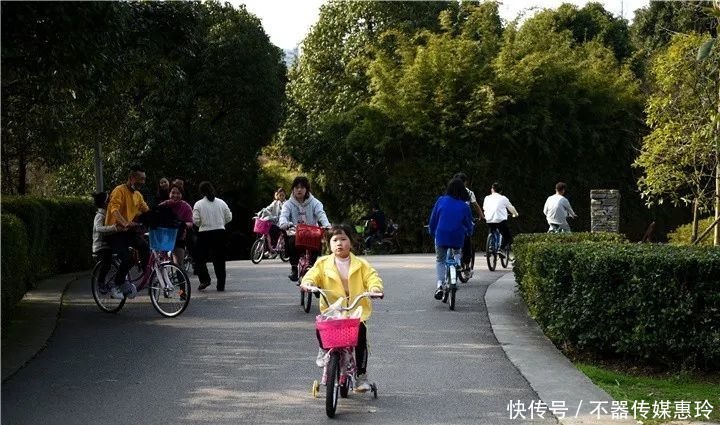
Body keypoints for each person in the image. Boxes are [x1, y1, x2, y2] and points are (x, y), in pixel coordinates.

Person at [300, 223, 384, 393]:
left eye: (343, 239)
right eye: (335, 240)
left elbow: (372, 277)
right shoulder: (323, 263)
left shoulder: (360, 264)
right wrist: (308, 283)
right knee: (322, 329)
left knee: (360, 338)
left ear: (351, 242)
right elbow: (312, 275)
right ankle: (326, 353)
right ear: (329, 244)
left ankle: (361, 376)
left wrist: (375, 288)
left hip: (355, 310)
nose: (339, 243)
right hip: (332, 310)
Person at [105, 165, 151, 298]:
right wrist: (124, 222)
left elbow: (146, 211)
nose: (143, 182)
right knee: (127, 258)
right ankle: (116, 284)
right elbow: (114, 209)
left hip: (128, 232)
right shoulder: (119, 190)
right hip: (114, 232)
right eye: (140, 179)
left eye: (144, 179)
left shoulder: (137, 195)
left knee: (144, 247)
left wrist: (158, 221)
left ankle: (145, 275)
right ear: (131, 178)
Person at [428, 178, 474, 300]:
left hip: (441, 235)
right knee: (457, 250)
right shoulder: (464, 206)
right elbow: (469, 224)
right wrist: (469, 232)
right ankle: (458, 263)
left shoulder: (441, 201)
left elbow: (433, 219)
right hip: (457, 236)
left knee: (440, 260)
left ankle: (439, 285)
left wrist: (432, 231)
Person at [278, 176, 331, 283]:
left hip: (312, 233)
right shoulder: (288, 204)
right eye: (296, 187)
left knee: (316, 244)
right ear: (293, 189)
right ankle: (294, 268)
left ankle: (312, 270)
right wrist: (284, 223)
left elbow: (321, 214)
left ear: (306, 189)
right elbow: (283, 216)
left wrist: (326, 225)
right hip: (295, 232)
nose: (299, 190)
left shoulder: (315, 202)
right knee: (291, 241)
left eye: (302, 187)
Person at [193, 181, 232, 291]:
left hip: (204, 233)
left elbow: (196, 221)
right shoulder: (221, 202)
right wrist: (220, 222)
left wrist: (203, 224)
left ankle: (205, 279)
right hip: (220, 232)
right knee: (219, 260)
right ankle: (221, 285)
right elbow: (229, 217)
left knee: (199, 258)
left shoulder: (198, 204)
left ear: (201, 192)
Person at [453, 172, 484, 271]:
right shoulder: (469, 193)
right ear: (465, 182)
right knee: (467, 241)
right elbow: (475, 205)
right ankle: (466, 266)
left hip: (450, 221)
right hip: (464, 222)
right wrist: (481, 216)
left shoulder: (450, 192)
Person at [160, 184, 194, 267]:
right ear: (169, 194)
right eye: (173, 192)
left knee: (179, 263)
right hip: (164, 236)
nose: (175, 195)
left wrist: (182, 224)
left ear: (182, 195)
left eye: (178, 193)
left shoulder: (186, 206)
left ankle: (180, 278)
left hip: (179, 236)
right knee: (159, 261)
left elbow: (190, 222)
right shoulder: (163, 205)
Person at [92, 192, 119, 294]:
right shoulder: (100, 215)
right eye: (109, 201)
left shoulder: (108, 214)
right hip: (100, 246)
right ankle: (100, 282)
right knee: (107, 263)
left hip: (108, 244)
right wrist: (113, 228)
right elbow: (99, 228)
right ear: (104, 204)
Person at [482, 182, 518, 255]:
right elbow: (511, 208)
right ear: (501, 191)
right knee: (507, 236)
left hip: (489, 219)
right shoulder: (503, 198)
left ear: (492, 189)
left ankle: (490, 247)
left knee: (492, 231)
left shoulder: (487, 198)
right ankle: (501, 249)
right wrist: (515, 214)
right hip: (500, 220)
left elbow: (484, 207)